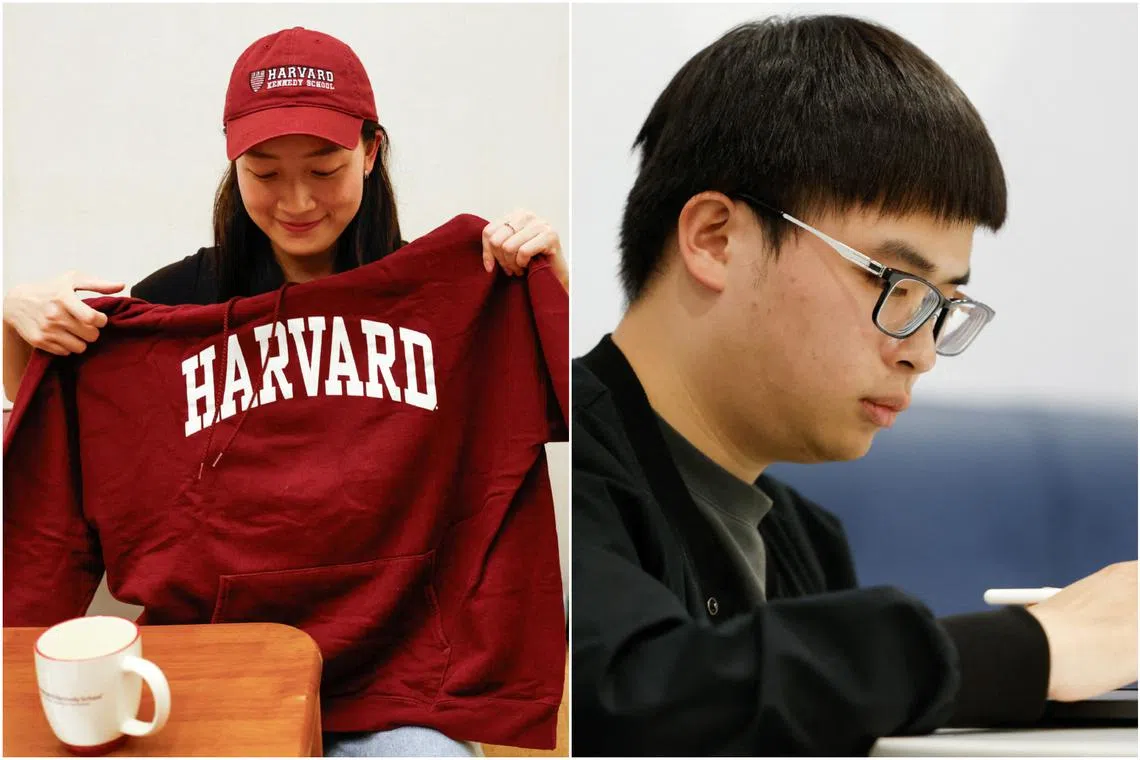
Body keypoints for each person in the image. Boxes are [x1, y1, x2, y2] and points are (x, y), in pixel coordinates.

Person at [571, 15, 1137, 756]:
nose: (922, 355)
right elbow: (632, 693)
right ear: (716, 238)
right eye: (895, 282)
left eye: (943, 305)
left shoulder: (804, 541)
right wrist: (1030, 650)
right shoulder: (544, 457)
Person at [3, 27, 567, 758]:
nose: (297, 200)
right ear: (233, 163)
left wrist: (550, 285)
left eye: (326, 167)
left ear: (370, 151)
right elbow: (69, 442)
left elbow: (568, 411)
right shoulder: (176, 307)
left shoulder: (457, 296)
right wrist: (16, 317)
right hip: (213, 669)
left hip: (401, 681)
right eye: (265, 171)